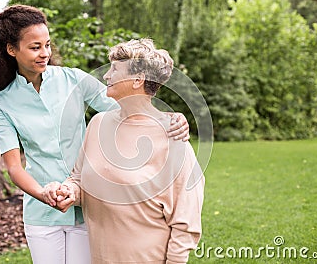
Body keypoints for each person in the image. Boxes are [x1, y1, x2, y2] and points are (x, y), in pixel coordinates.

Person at [0, 5, 190, 264]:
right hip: (41, 214)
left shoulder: (74, 80)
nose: (45, 53)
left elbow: (129, 108)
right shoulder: (2, 103)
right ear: (11, 49)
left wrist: (168, 118)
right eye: (35, 47)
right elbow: (14, 168)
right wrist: (43, 194)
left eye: (47, 45)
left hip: (89, 206)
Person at [52, 38, 205, 263]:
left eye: (114, 69)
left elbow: (186, 221)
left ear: (137, 80)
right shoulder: (98, 124)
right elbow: (78, 178)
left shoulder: (173, 138)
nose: (106, 75)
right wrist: (69, 191)